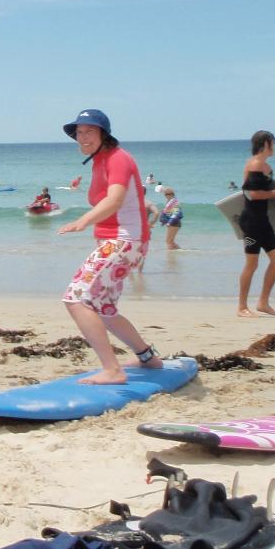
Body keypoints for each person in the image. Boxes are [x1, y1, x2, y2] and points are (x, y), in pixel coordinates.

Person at [57, 109, 161, 385]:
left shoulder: (118, 158)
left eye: (89, 131)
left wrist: (83, 221)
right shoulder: (100, 161)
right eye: (79, 132)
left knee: (76, 299)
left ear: (104, 133)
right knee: (103, 308)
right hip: (119, 241)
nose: (83, 137)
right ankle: (148, 358)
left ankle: (112, 370)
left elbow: (114, 200)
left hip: (124, 240)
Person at [237, 131, 275, 317]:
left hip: (262, 220)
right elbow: (251, 193)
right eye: (273, 143)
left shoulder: (265, 166)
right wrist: (274, 194)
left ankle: (263, 303)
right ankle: (241, 307)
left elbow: (262, 190)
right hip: (251, 222)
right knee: (252, 264)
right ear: (265, 144)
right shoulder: (255, 164)